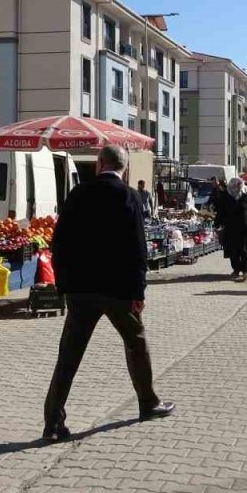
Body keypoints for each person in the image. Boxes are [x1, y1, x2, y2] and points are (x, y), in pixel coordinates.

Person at [43, 146, 174, 443]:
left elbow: (59, 242)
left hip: (80, 289)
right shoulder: (128, 197)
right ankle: (148, 403)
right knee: (136, 345)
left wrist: (63, 285)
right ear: (124, 169)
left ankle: (52, 422)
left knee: (69, 356)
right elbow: (139, 249)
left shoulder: (78, 194)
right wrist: (139, 290)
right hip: (119, 289)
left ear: (100, 164)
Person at [213, 177, 247, 282]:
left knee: (245, 250)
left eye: (241, 185)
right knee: (233, 250)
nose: (240, 187)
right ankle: (236, 270)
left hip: (245, 227)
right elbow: (221, 212)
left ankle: (245, 270)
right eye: (239, 185)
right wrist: (216, 224)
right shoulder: (226, 197)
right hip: (231, 228)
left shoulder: (244, 196)